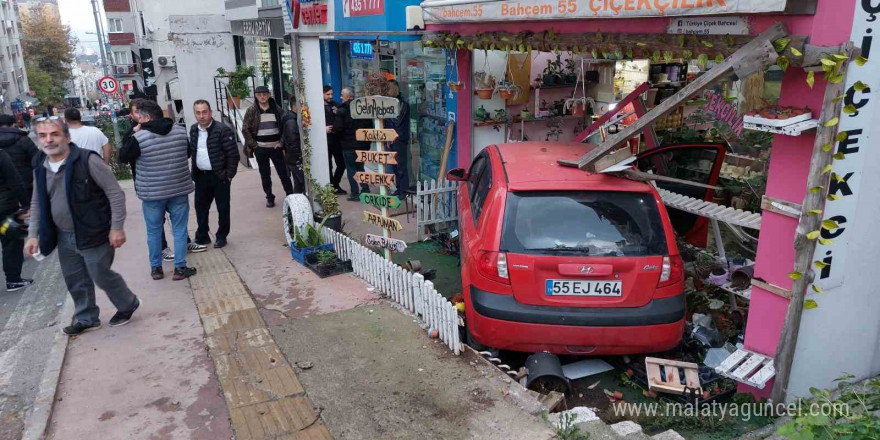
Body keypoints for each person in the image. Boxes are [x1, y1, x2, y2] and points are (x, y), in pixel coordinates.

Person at [25, 117, 140, 335]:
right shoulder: (40, 165)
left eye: (54, 134)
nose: (49, 140)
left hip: (93, 231)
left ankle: (128, 303)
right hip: (63, 235)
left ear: (67, 137)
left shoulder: (88, 160)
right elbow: (37, 201)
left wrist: (117, 227)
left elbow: (115, 193)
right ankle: (87, 318)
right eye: (43, 135)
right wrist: (33, 234)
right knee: (75, 278)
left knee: (100, 274)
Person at [118, 100, 197, 281]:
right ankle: (179, 268)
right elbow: (187, 153)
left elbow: (123, 157)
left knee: (153, 231)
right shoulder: (179, 131)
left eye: (140, 118)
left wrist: (133, 134)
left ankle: (156, 269)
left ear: (147, 117)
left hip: (152, 194)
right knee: (179, 229)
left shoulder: (139, 137)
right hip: (178, 189)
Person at [189, 100, 239, 248]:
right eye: (198, 112)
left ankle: (222, 236)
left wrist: (228, 175)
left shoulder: (222, 130)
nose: (201, 116)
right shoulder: (193, 130)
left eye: (204, 112)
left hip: (219, 176)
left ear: (210, 112)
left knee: (222, 207)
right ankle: (202, 235)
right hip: (201, 176)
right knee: (200, 207)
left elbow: (233, 155)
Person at [242, 85, 293, 208]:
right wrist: (255, 146)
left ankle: (291, 196)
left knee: (284, 173)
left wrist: (281, 142)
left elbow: (285, 126)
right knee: (265, 175)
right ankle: (269, 197)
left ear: (269, 95)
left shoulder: (276, 109)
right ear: (256, 96)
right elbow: (245, 129)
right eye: (259, 94)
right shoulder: (252, 110)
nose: (262, 97)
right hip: (261, 149)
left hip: (276, 148)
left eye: (265, 94)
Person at [0, 149, 32, 291]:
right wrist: (26, 204)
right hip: (4, 207)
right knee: (11, 243)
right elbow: (14, 179)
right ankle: (13, 280)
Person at [334, 88, 371, 201]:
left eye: (342, 95)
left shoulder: (342, 110)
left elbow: (338, 128)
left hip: (349, 145)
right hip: (362, 145)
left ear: (349, 97)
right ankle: (365, 190)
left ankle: (355, 193)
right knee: (360, 167)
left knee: (351, 169)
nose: (340, 97)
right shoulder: (363, 108)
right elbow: (369, 126)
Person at [386, 80, 411, 198]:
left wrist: (391, 134)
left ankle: (403, 191)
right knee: (395, 167)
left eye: (388, 89)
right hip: (392, 139)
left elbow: (397, 120)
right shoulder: (390, 104)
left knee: (401, 166)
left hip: (399, 139)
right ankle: (399, 188)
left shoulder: (402, 104)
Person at [280, 93, 305, 194]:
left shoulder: (291, 118)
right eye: (302, 105)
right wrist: (300, 157)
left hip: (292, 156)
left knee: (298, 183)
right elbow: (293, 141)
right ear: (295, 107)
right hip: (295, 157)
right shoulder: (291, 121)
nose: (304, 108)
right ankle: (299, 205)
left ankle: (296, 206)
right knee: (302, 182)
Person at [323, 85, 346, 195]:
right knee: (328, 166)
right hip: (325, 140)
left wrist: (338, 112)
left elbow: (345, 113)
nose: (330, 96)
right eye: (328, 94)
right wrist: (323, 129)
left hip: (337, 139)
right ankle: (331, 188)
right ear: (322, 94)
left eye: (331, 94)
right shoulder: (317, 107)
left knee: (341, 164)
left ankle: (335, 184)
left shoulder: (335, 104)